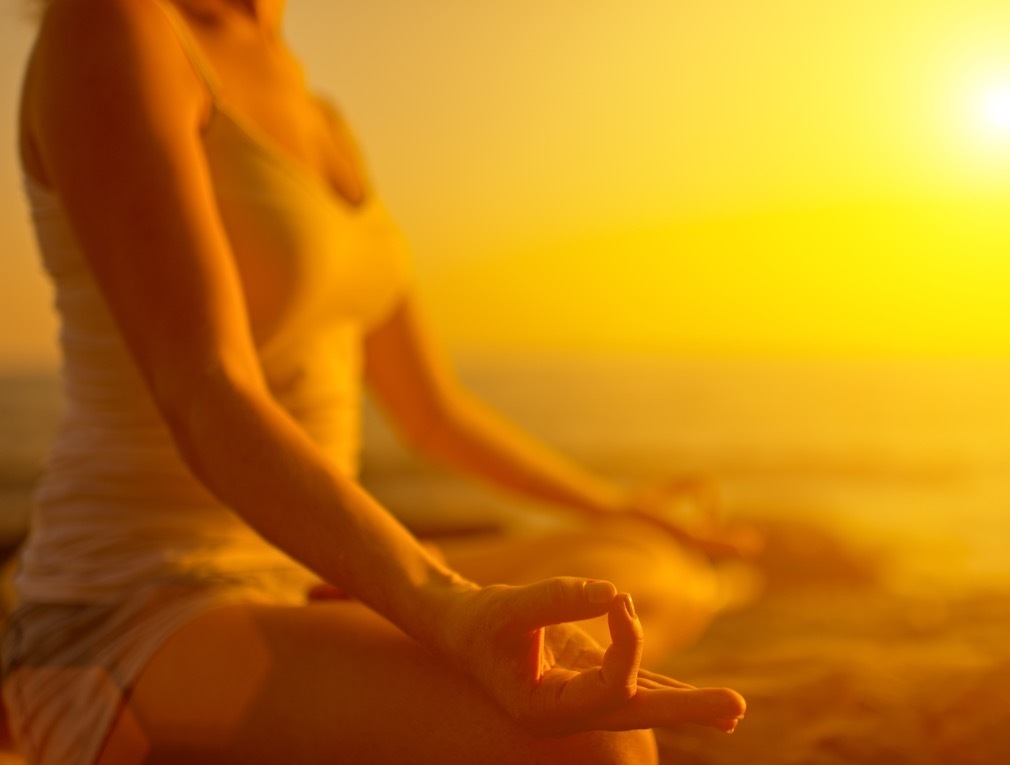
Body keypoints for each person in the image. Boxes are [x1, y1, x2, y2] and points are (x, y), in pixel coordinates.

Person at [1, 0, 754, 763]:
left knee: (654, 570)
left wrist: (621, 504)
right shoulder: (113, 25)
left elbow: (435, 414)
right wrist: (439, 605)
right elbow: (207, 391)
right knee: (599, 740)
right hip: (132, 612)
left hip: (303, 577)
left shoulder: (322, 117)